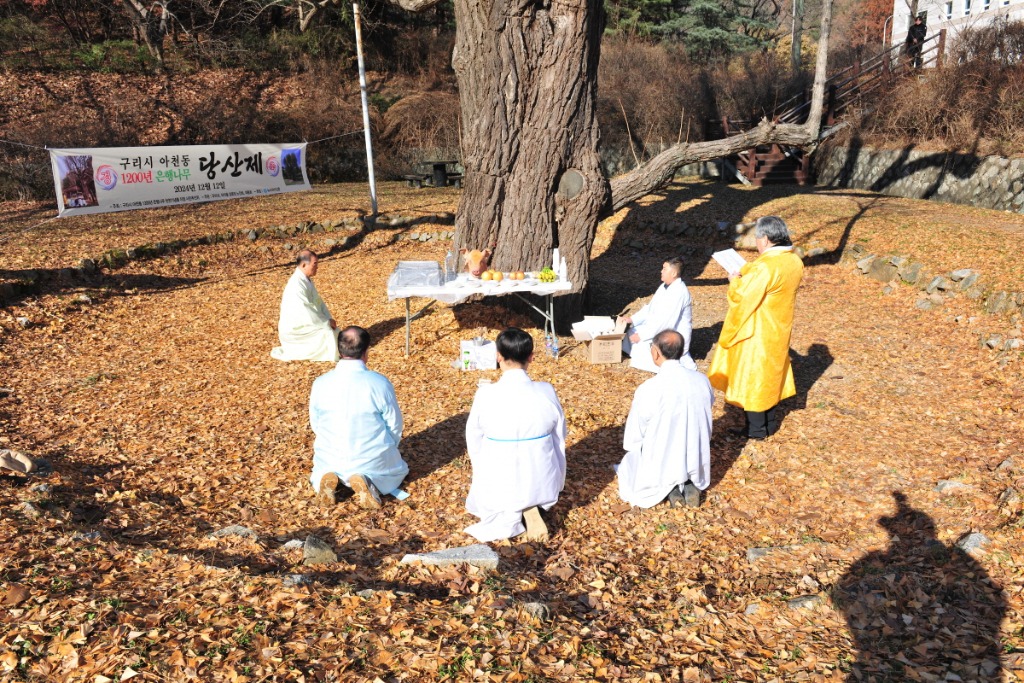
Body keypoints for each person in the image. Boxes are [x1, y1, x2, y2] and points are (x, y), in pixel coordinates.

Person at [464, 328, 566, 542]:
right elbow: (560, 435)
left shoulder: (486, 393)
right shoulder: (546, 390)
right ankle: (532, 503)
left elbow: (473, 438)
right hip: (542, 479)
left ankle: (513, 508)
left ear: (498, 356)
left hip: (499, 479)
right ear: (531, 357)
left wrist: (480, 468)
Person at [708, 216, 804, 440]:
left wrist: (734, 281)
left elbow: (744, 298)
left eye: (758, 239)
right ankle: (769, 424)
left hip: (758, 330)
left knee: (754, 378)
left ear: (767, 239)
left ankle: (756, 429)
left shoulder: (766, 266)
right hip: (779, 327)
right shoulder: (793, 260)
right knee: (771, 375)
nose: (757, 243)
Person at [309, 326, 408, 509]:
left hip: (329, 455)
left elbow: (316, 424)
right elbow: (395, 425)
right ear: (366, 351)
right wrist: (390, 447)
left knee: (324, 466)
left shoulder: (321, 383)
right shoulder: (379, 383)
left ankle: (329, 477)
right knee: (396, 471)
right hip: (372, 458)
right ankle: (370, 481)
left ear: (340, 350)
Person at [617, 330, 714, 509]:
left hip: (662, 452)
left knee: (635, 460)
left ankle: (670, 487)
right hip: (695, 447)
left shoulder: (650, 388)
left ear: (655, 352)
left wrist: (634, 448)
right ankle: (689, 482)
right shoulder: (702, 380)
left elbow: (636, 431)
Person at [621, 257, 695, 373]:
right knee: (632, 331)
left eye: (664, 269)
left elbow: (666, 322)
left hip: (672, 335)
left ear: (674, 273)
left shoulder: (679, 292)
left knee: (640, 341)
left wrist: (643, 335)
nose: (661, 271)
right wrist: (632, 319)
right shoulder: (664, 286)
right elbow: (650, 308)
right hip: (657, 327)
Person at [271, 250, 340, 362]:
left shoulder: (306, 280)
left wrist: (328, 318)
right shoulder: (296, 285)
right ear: (304, 265)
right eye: (315, 264)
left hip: (308, 321)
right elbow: (305, 310)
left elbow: (318, 302)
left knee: (335, 331)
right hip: (295, 329)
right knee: (327, 332)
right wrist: (325, 323)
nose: (317, 267)